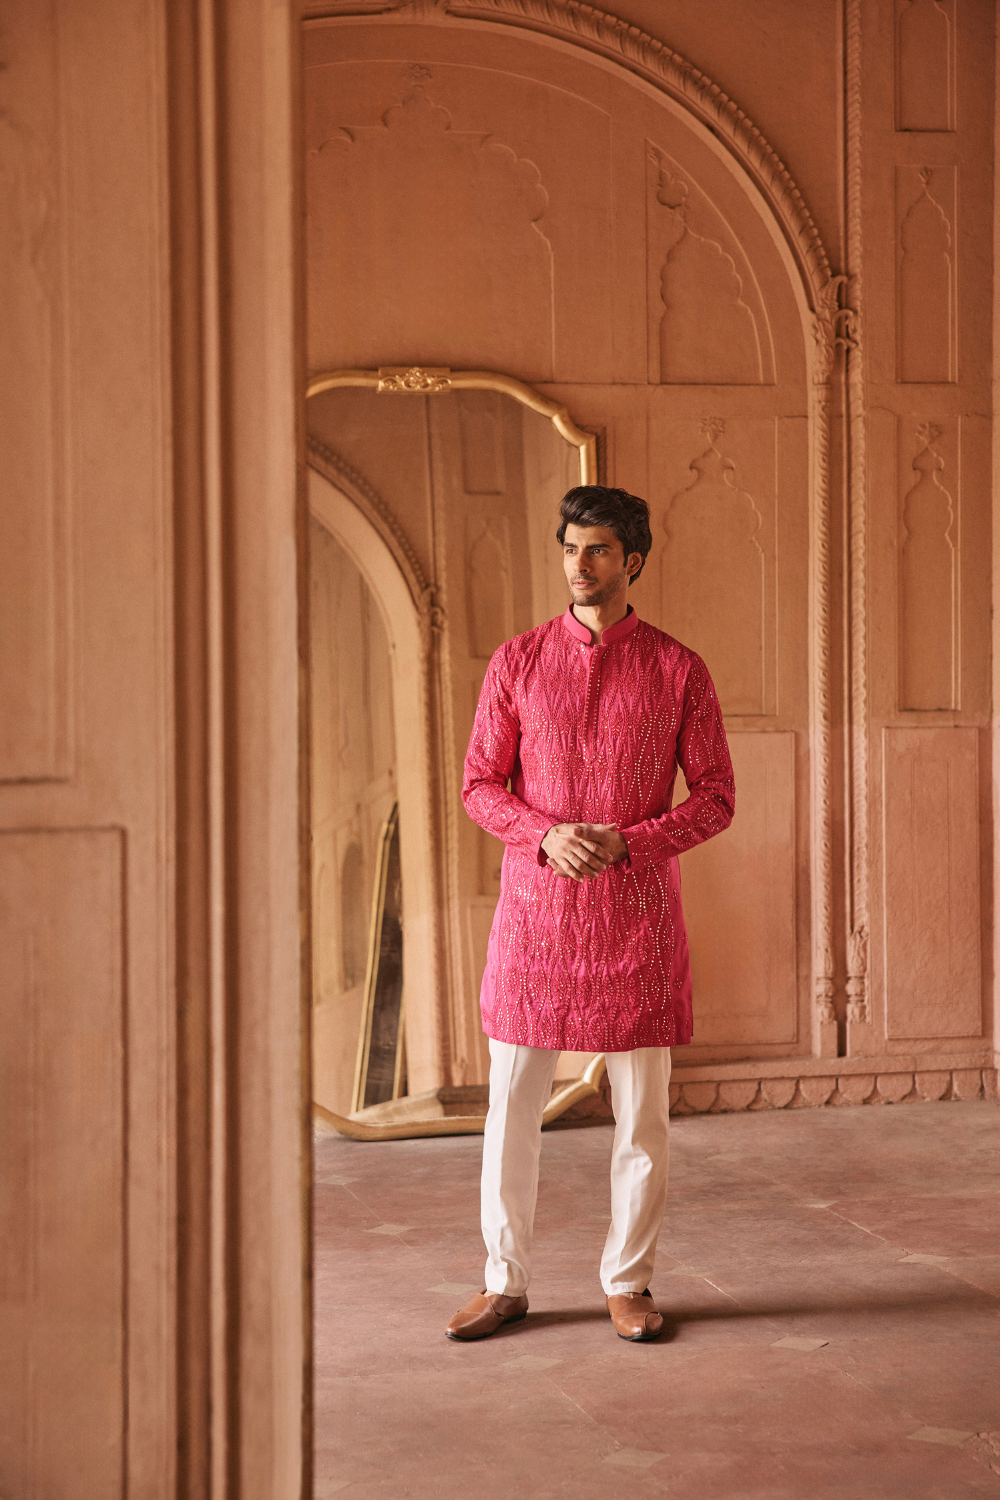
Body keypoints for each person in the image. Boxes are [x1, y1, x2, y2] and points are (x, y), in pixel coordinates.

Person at [445, 484, 735, 1344]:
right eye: (571, 548)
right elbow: (478, 785)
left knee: (641, 1112)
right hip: (535, 920)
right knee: (511, 1108)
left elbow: (717, 797)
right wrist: (544, 835)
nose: (580, 564)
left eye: (598, 549)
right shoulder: (517, 662)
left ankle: (629, 1281)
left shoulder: (679, 670)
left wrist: (631, 843)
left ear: (632, 559)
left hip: (637, 916)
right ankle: (503, 1282)